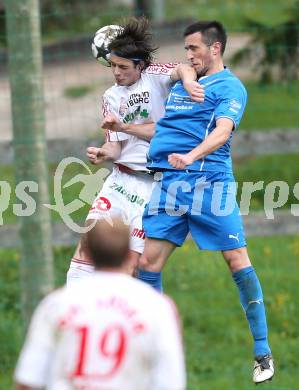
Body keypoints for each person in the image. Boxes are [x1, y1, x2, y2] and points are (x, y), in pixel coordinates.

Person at [138, 20, 274, 384]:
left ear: (215, 49)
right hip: (170, 184)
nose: (188, 55)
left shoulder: (231, 87)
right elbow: (168, 71)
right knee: (147, 262)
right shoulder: (187, 80)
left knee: (236, 259)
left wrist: (192, 155)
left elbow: (222, 131)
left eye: (194, 49)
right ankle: (154, 350)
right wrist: (184, 74)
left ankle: (262, 351)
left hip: (209, 183)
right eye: (186, 49)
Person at [66, 17, 204, 286]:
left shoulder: (156, 76)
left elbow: (184, 69)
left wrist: (188, 82)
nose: (117, 72)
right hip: (120, 181)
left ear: (140, 65)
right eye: (113, 66)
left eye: (123, 67)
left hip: (154, 187)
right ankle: (72, 310)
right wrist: (104, 153)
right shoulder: (111, 97)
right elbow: (116, 146)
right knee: (88, 242)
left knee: (132, 266)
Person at [14, 218, 186, 390]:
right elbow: (170, 382)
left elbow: (28, 380)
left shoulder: (56, 304)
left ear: (87, 253)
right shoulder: (157, 307)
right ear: (128, 253)